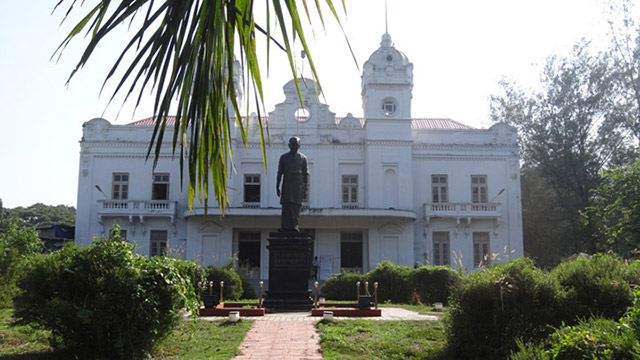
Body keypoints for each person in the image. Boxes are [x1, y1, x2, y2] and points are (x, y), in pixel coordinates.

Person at [276, 137, 309, 232]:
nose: (294, 146)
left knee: (296, 205)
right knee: (286, 205)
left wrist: (305, 189)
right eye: (293, 144)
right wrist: (277, 186)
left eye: (296, 145)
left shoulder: (303, 158)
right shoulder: (283, 158)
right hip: (287, 183)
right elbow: (279, 173)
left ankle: (295, 226)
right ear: (289, 145)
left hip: (298, 184)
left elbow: (305, 175)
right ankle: (285, 227)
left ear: (299, 146)